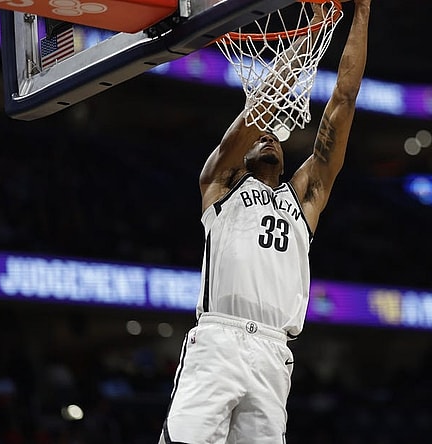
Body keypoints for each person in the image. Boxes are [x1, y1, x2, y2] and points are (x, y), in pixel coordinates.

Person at [158, 0, 370, 442]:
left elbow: (343, 101)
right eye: (261, 133)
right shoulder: (220, 183)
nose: (268, 134)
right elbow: (258, 113)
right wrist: (303, 42)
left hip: (274, 352)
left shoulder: (305, 197)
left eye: (276, 133)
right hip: (219, 341)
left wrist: (362, 13)